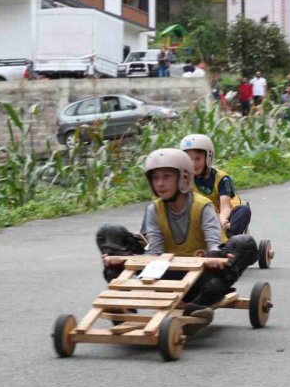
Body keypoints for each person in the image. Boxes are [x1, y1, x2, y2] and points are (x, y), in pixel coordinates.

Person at [97, 149, 258, 322]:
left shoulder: (203, 207)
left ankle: (198, 306)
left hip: (200, 277)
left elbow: (214, 244)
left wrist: (215, 256)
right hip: (165, 272)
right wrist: (122, 259)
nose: (159, 183)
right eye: (155, 178)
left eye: (167, 177)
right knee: (108, 232)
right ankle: (123, 304)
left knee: (245, 244)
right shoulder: (154, 209)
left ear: (184, 178)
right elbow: (155, 251)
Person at [180, 134, 252, 236]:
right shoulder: (184, 179)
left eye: (197, 159)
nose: (193, 164)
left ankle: (229, 242)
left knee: (244, 210)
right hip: (198, 221)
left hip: (222, 218)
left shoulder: (222, 179)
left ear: (208, 157)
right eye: (189, 159)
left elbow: (225, 206)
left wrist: (222, 220)